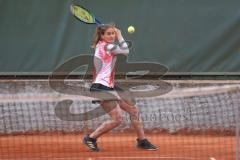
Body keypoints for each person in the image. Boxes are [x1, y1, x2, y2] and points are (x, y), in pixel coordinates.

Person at [83, 23, 158, 152]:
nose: (112, 36)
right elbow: (125, 51)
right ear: (102, 36)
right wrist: (120, 35)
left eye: (113, 33)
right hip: (101, 87)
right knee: (117, 119)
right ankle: (91, 138)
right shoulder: (107, 46)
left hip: (110, 85)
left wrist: (116, 34)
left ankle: (142, 141)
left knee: (134, 111)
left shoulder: (103, 45)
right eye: (109, 34)